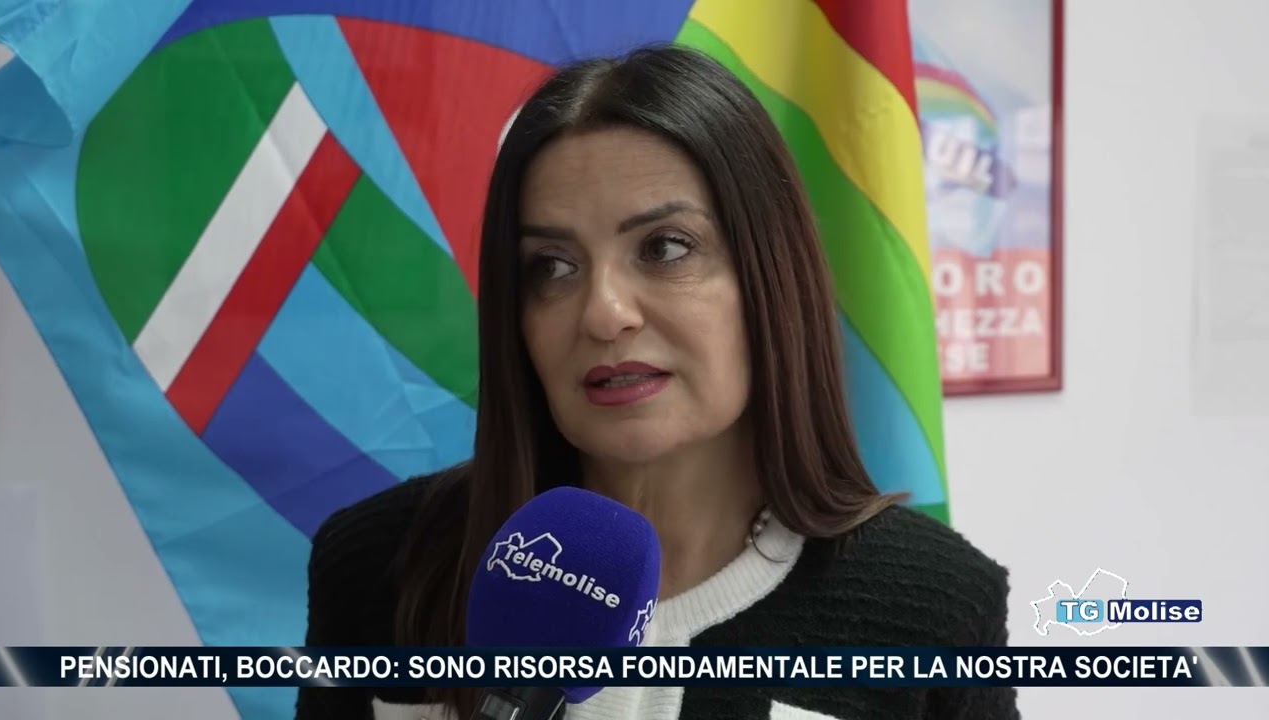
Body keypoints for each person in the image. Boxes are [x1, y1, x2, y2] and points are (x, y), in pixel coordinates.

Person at [295, 44, 1017, 720]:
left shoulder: (933, 605)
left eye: (665, 248)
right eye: (552, 266)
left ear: (770, 280)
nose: (604, 313)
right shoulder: (375, 561)